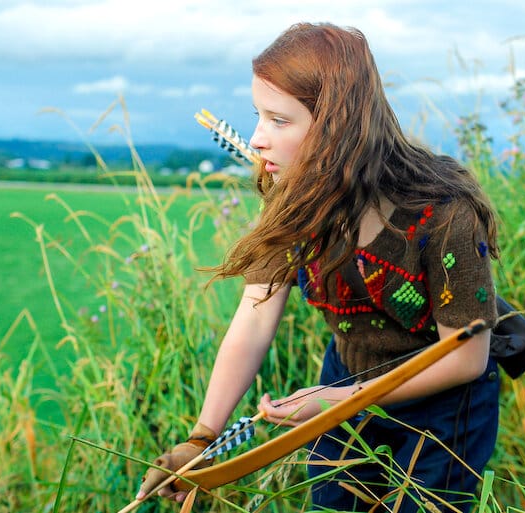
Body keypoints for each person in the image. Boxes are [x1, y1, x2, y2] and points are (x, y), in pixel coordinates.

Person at [136, 22, 501, 513]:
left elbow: (466, 359)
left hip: (443, 407)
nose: (257, 139)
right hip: (344, 383)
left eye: (279, 121)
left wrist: (338, 401)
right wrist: (202, 438)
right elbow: (255, 316)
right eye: (258, 117)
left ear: (337, 127)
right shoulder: (295, 201)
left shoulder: (444, 213)